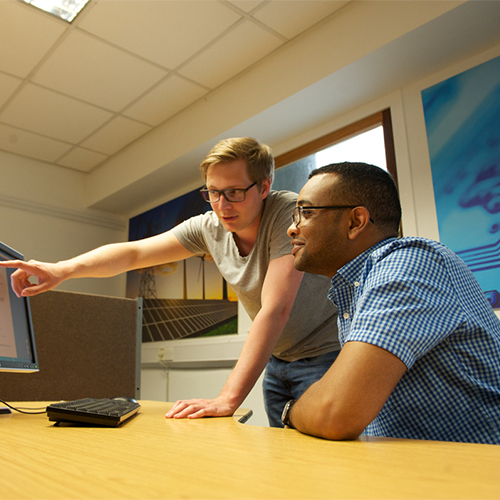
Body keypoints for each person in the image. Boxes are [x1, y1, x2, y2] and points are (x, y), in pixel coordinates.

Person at [0, 137, 339, 427]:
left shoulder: (288, 213)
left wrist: (226, 398)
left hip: (326, 355)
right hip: (279, 360)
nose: (222, 206)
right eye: (213, 192)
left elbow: (275, 308)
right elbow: (134, 254)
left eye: (235, 192)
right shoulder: (209, 227)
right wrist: (62, 269)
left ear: (264, 186)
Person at [281, 161, 500, 444]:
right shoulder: (356, 285)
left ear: (355, 222)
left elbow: (335, 413)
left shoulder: (408, 262)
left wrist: (290, 411)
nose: (291, 229)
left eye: (305, 213)